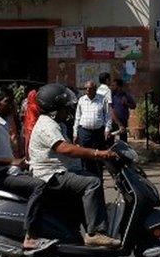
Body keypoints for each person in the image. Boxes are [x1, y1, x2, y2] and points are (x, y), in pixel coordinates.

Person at [28, 83, 120, 247]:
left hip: (58, 170)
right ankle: (95, 233)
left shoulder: (55, 123)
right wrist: (97, 153)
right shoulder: (47, 125)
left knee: (86, 177)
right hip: (51, 175)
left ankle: (88, 223)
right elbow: (64, 149)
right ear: (55, 109)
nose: (68, 111)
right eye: (65, 108)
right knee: (93, 182)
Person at [0, 87, 49, 251]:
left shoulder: (1, 124)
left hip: (9, 172)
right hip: (0, 176)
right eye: (7, 102)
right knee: (39, 186)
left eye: (12, 101)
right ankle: (30, 236)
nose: (12, 106)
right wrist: (12, 162)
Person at [74, 80, 111, 176]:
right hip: (84, 132)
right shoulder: (81, 100)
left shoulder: (102, 99)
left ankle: (98, 177)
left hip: (98, 133)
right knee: (84, 155)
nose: (87, 90)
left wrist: (107, 129)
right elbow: (77, 117)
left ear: (95, 89)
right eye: (85, 88)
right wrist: (75, 133)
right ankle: (86, 177)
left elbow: (107, 116)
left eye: (89, 88)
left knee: (98, 156)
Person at [109, 77, 137, 142]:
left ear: (118, 86)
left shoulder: (126, 95)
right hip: (113, 121)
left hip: (123, 120)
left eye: (113, 85)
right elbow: (110, 108)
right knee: (110, 139)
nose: (111, 87)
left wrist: (127, 103)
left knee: (123, 140)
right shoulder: (111, 96)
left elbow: (134, 106)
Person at [22, 85, 42, 159]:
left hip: (28, 125)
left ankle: (28, 157)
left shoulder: (28, 105)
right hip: (33, 125)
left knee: (27, 142)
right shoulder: (35, 106)